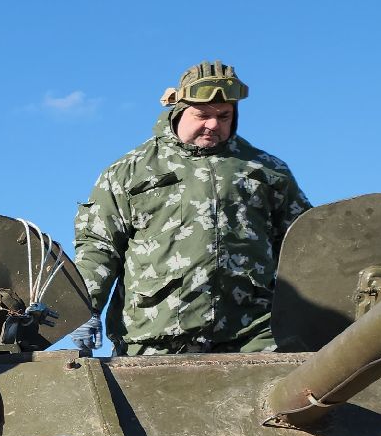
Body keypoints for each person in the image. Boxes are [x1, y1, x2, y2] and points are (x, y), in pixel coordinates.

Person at [70, 60, 312, 355]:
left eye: (224, 116)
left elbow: (305, 245)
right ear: (178, 110)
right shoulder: (128, 172)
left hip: (253, 337)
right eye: (202, 115)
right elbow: (99, 248)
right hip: (154, 338)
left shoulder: (266, 171)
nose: (213, 125)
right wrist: (84, 309)